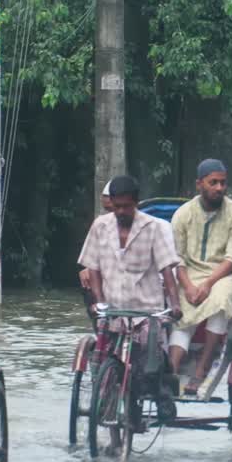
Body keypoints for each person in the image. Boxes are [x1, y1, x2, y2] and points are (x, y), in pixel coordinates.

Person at [78, 175, 183, 411]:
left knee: (148, 361)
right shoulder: (100, 226)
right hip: (113, 308)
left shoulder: (154, 228)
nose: (121, 211)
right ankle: (106, 402)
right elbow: (93, 267)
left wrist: (175, 304)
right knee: (101, 360)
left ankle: (159, 391)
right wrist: (99, 300)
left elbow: (167, 269)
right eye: (117, 207)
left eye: (126, 206)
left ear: (136, 202)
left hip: (146, 310)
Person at [168, 159, 232, 395]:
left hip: (222, 273)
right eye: (213, 182)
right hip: (187, 272)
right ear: (199, 184)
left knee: (222, 298)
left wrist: (207, 284)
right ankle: (171, 371)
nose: (219, 188)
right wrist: (188, 286)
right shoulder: (183, 214)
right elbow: (176, 257)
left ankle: (202, 369)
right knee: (179, 305)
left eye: (222, 183)